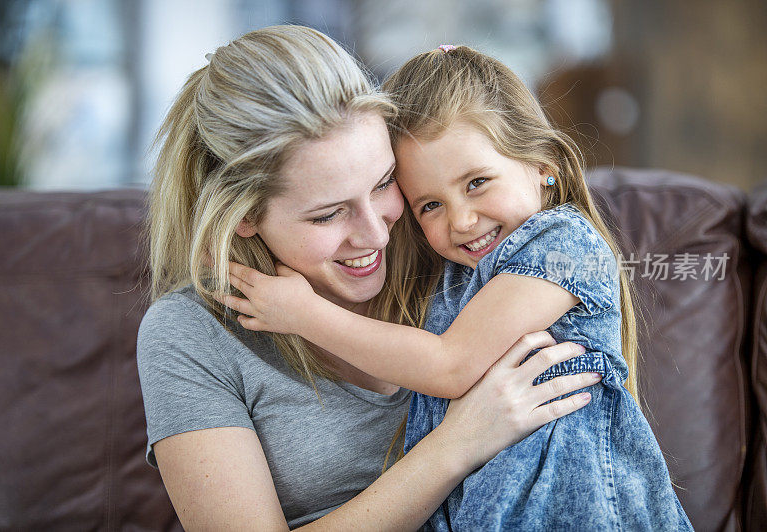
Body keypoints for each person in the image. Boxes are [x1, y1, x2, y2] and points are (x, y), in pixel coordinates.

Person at [137, 26, 601, 530]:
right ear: (244, 217)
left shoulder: (456, 250)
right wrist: (458, 444)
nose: (376, 234)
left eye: (384, 184)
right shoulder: (191, 335)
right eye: (328, 215)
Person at [218, 45, 693, 530]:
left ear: (542, 164)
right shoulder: (454, 276)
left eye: (477, 183)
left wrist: (305, 314)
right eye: (429, 205)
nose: (462, 221)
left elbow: (449, 366)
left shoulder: (564, 246)